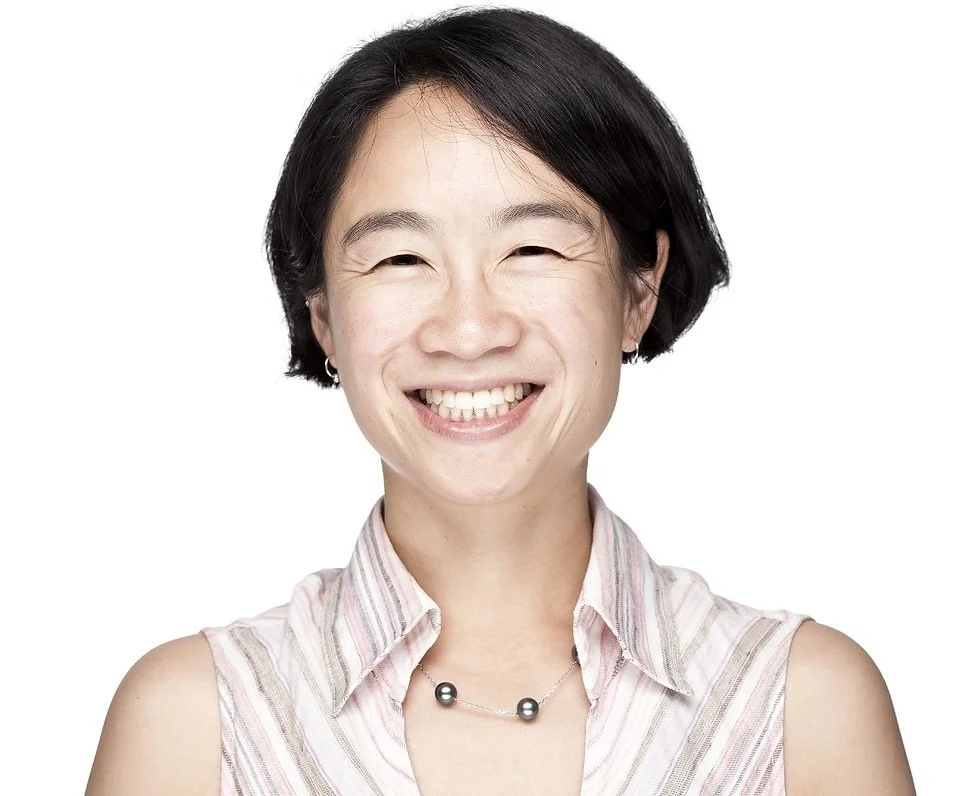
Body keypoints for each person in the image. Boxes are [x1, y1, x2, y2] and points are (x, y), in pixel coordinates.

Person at [85, 7, 916, 795]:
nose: (469, 328)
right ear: (324, 315)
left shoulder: (797, 706)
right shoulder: (197, 722)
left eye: (532, 248)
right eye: (402, 259)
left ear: (639, 291)